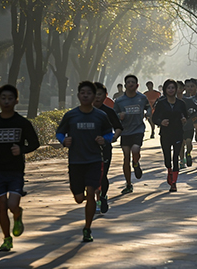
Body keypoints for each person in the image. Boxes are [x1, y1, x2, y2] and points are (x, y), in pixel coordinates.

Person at [0, 84, 41, 252]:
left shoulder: (22, 123)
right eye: (3, 98)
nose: (6, 101)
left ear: (16, 100)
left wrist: (21, 150)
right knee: (2, 205)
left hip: (15, 170)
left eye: (10, 98)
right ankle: (7, 239)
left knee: (12, 204)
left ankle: (18, 214)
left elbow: (35, 143)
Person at [56, 81, 114, 242]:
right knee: (79, 198)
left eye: (89, 93)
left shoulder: (101, 116)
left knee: (90, 193)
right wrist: (64, 140)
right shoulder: (71, 115)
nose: (86, 95)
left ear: (94, 96)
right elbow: (60, 133)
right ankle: (84, 211)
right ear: (78, 95)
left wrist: (104, 139)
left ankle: (87, 228)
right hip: (75, 161)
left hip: (95, 160)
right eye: (83, 93)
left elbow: (110, 134)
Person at [113, 74, 150, 194]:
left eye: (132, 82)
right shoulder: (120, 101)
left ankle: (136, 163)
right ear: (125, 86)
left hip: (138, 129)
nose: (130, 84)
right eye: (128, 82)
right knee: (126, 157)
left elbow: (149, 107)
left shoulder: (142, 98)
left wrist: (148, 114)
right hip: (125, 131)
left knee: (135, 149)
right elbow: (114, 115)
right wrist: (119, 116)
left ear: (137, 85)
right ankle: (128, 184)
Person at [153, 79, 188, 192]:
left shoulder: (181, 103)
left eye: (173, 88)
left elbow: (185, 115)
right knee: (167, 157)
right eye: (169, 88)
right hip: (165, 133)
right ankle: (169, 171)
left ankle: (174, 183)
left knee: (176, 157)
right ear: (165, 90)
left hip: (178, 132)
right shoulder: (161, 103)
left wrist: (183, 119)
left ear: (176, 89)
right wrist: (161, 122)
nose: (171, 90)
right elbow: (154, 118)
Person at [93, 82, 123, 213]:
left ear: (105, 95)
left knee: (102, 175)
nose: (96, 97)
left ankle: (102, 197)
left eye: (99, 94)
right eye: (94, 94)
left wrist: (113, 137)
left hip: (104, 148)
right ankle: (95, 197)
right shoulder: (84, 111)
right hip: (88, 149)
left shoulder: (109, 111)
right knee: (91, 176)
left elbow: (118, 127)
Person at [181, 79, 197, 168]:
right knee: (181, 144)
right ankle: (181, 161)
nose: (190, 88)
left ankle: (188, 153)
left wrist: (195, 117)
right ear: (184, 87)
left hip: (190, 125)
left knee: (189, 142)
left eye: (192, 86)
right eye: (188, 86)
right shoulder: (180, 99)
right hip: (179, 126)